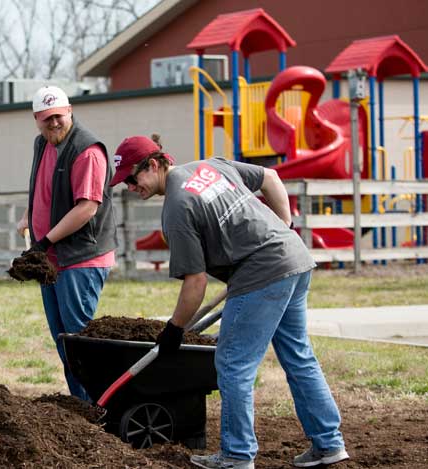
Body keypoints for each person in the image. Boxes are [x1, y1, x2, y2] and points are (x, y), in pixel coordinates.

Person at [110, 134, 348, 469]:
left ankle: (237, 455)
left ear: (152, 164)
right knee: (298, 356)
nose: (131, 189)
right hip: (293, 258)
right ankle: (329, 444)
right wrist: (282, 229)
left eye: (132, 180)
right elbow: (271, 178)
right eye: (124, 185)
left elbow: (196, 282)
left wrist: (174, 330)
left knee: (233, 364)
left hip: (262, 273)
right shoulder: (210, 165)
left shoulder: (177, 207)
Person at [16, 86, 117, 401]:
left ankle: (99, 407)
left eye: (58, 116)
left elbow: (87, 208)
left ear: (70, 111)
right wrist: (28, 217)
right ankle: (81, 407)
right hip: (51, 257)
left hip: (80, 258)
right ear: (36, 119)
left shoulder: (87, 150)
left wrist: (43, 240)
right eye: (46, 119)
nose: (53, 124)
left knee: (79, 341)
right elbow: (42, 188)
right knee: (63, 340)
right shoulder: (42, 144)